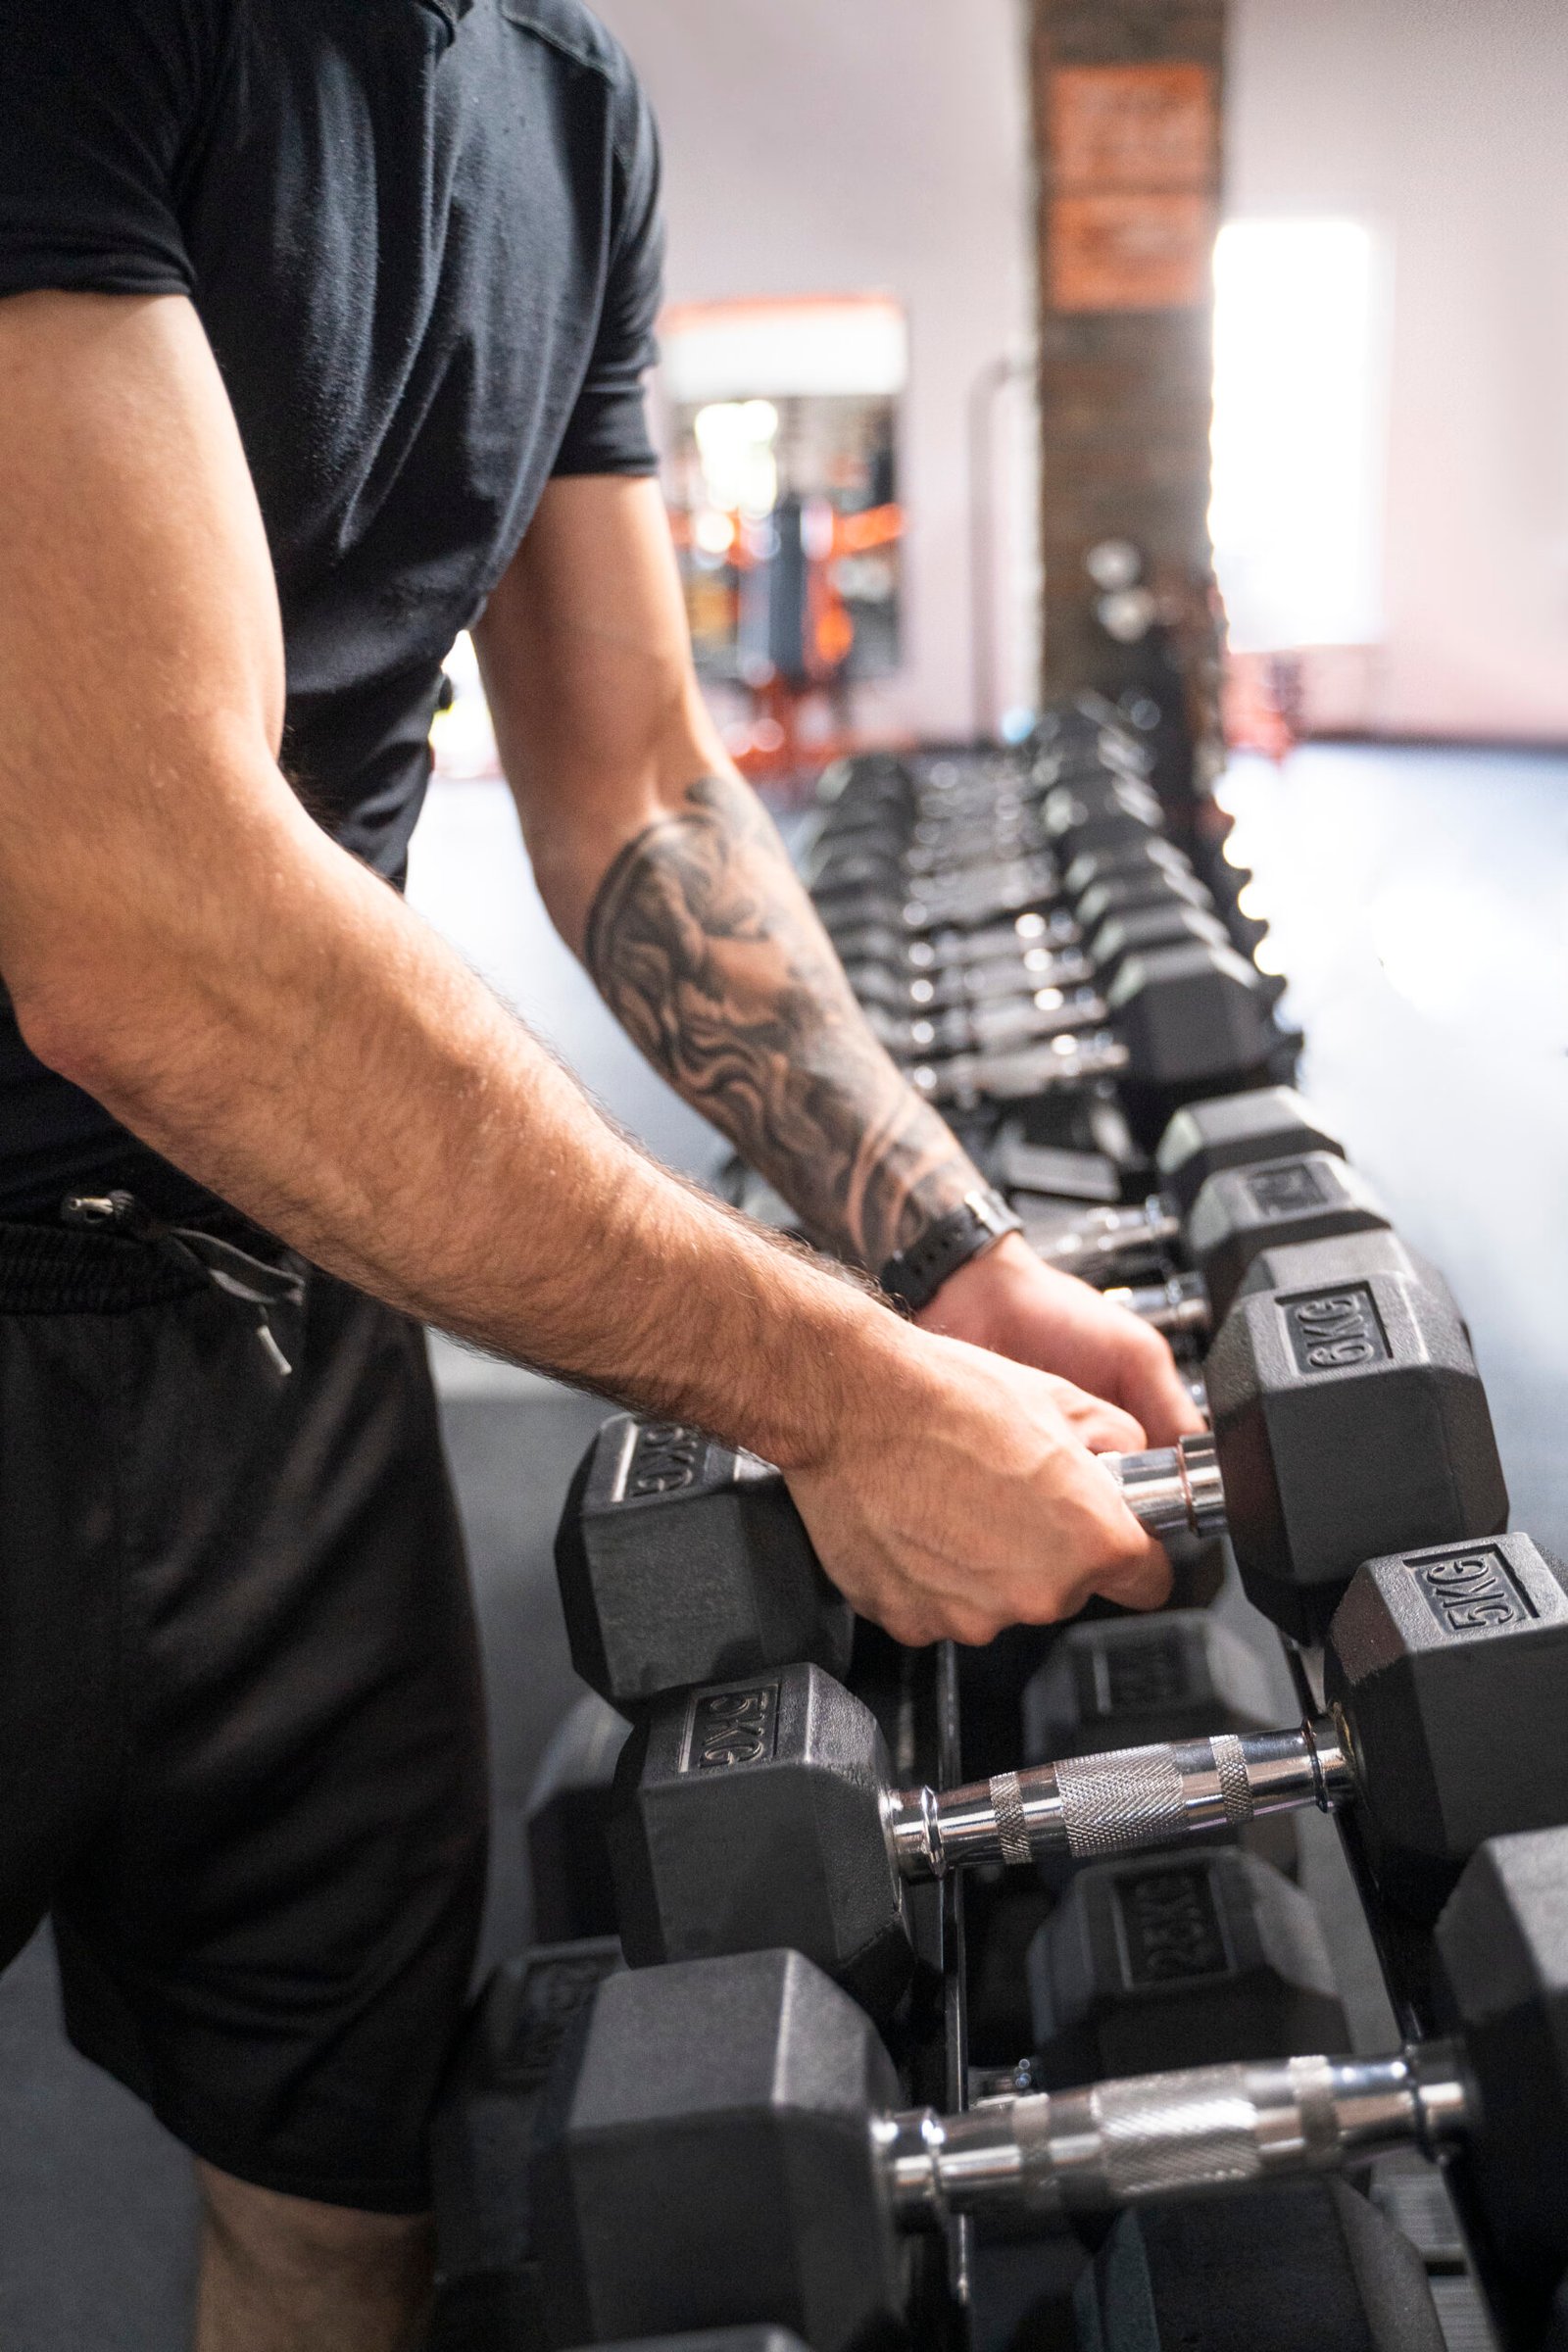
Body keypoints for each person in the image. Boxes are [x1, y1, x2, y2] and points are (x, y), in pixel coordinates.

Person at [0, 1, 1202, 2343]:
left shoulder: (567, 104)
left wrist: (936, 1256)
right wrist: (835, 1400)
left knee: (340, 2188)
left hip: (273, 1304)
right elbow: (139, 924)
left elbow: (639, 785)